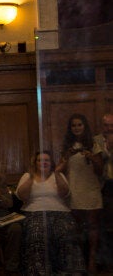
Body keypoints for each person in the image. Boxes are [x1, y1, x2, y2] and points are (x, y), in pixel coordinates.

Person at [15, 151, 85, 275]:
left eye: (47, 160)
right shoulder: (27, 176)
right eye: (40, 160)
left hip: (60, 212)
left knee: (66, 233)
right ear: (35, 163)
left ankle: (68, 272)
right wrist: (32, 177)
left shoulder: (58, 175)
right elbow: (22, 196)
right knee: (37, 234)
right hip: (34, 212)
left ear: (51, 163)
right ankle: (39, 272)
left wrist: (57, 173)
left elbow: (64, 194)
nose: (43, 162)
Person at [57, 113, 103, 272]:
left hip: (91, 190)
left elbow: (100, 170)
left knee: (92, 226)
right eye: (74, 125)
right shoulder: (66, 146)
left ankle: (91, 260)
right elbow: (59, 170)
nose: (77, 128)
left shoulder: (94, 144)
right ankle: (78, 260)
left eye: (79, 125)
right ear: (70, 129)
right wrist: (66, 157)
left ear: (85, 126)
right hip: (74, 190)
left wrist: (92, 157)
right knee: (75, 228)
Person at [93, 113, 113, 271]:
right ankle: (105, 261)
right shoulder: (96, 140)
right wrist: (107, 148)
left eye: (112, 125)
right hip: (103, 186)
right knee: (103, 225)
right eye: (106, 125)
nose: (109, 128)